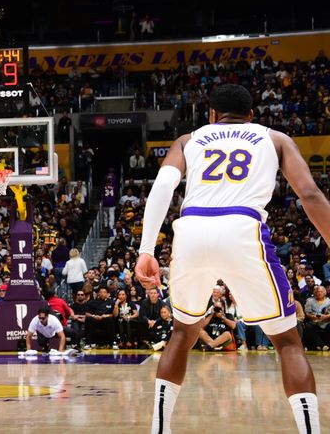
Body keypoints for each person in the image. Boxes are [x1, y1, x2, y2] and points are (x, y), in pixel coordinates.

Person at [136, 84, 326, 434]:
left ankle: (159, 430)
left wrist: (146, 249)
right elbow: (310, 193)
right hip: (242, 229)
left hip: (191, 229)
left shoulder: (188, 140)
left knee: (181, 333)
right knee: (286, 340)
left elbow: (162, 188)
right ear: (252, 115)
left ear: (211, 114)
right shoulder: (275, 138)